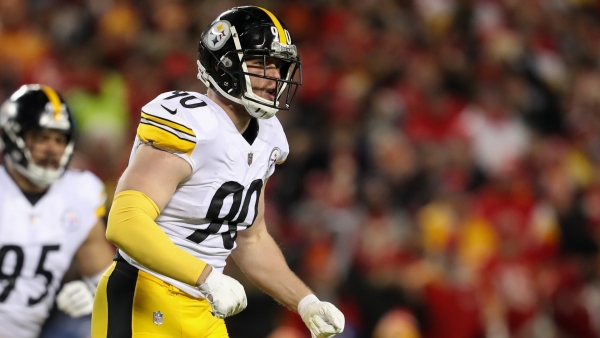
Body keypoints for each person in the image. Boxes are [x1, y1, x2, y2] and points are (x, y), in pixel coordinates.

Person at [92, 6, 345, 338]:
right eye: (261, 64)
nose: (276, 77)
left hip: (205, 305)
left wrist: (306, 302)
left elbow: (250, 239)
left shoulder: (268, 136)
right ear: (224, 65)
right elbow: (125, 221)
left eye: (281, 67)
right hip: (146, 292)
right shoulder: (192, 122)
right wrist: (205, 276)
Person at [0, 84, 115, 337]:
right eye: (42, 138)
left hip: (35, 329)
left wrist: (93, 293)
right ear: (13, 135)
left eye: (60, 140)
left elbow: (106, 280)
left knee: (90, 328)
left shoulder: (80, 192)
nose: (52, 149)